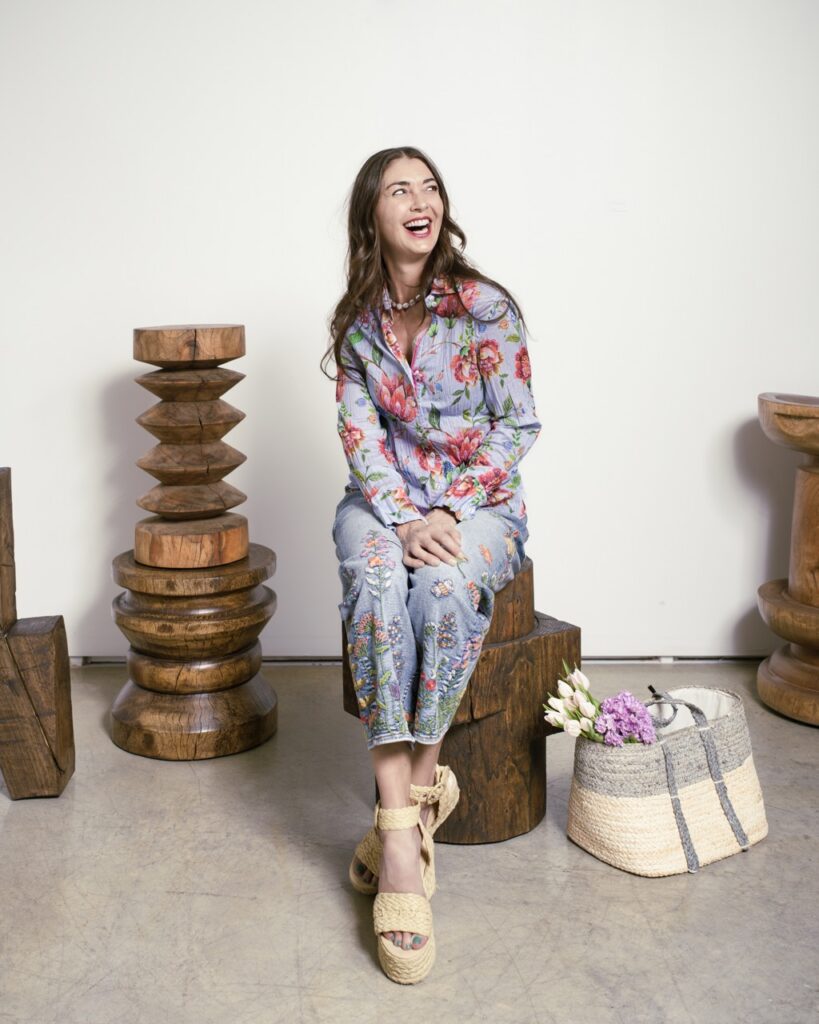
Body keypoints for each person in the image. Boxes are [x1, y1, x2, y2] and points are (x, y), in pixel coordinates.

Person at [322, 146, 541, 984]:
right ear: (371, 217)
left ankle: (396, 825)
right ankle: (404, 838)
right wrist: (404, 515)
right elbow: (360, 437)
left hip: (479, 507)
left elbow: (516, 427)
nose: (420, 200)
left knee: (446, 586)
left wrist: (446, 512)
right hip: (378, 506)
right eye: (397, 190)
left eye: (430, 186)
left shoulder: (485, 309)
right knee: (379, 581)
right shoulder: (354, 325)